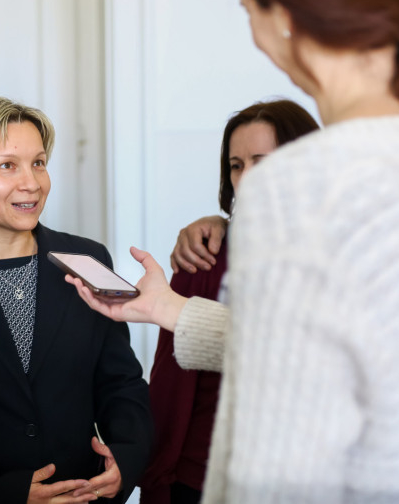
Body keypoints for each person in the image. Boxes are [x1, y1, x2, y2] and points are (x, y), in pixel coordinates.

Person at [71, 0, 399, 501]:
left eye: (248, 8)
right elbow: (334, 353)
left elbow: (277, 461)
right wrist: (168, 309)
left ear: (285, 16)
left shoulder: (300, 189)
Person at [0, 97, 152, 504]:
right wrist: (6, 493)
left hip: (83, 495)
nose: (31, 182)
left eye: (39, 163)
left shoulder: (88, 260)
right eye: (7, 166)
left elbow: (120, 382)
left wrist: (126, 456)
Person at [139, 100, 319, 504]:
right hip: (201, 477)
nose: (247, 177)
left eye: (262, 161)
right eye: (237, 165)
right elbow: (170, 384)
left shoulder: (342, 254)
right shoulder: (205, 255)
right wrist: (157, 477)